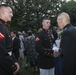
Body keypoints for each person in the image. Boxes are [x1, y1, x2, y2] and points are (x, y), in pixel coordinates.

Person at [0, 4, 20, 75]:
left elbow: (9, 49)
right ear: (2, 12)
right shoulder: (1, 27)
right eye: (10, 12)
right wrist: (12, 66)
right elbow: (1, 52)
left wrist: (14, 60)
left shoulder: (4, 26)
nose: (12, 15)